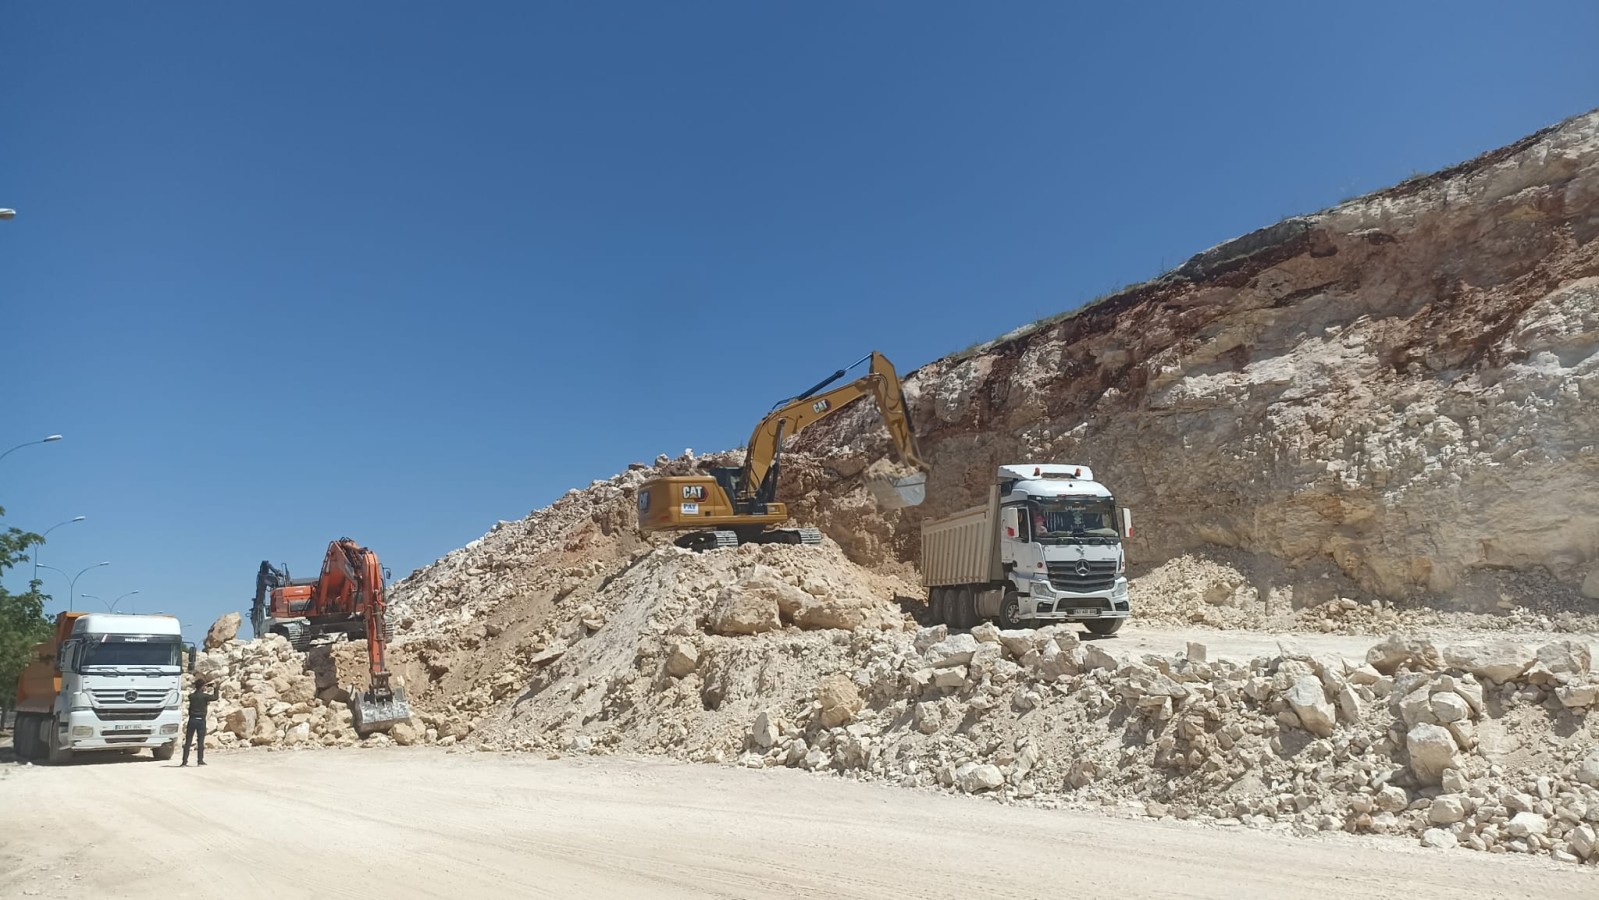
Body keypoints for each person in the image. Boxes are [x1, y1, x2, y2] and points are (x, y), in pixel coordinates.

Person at [181, 678, 220, 767]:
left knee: (188, 741)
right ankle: (200, 760)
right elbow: (215, 697)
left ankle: (184, 761)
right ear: (202, 687)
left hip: (192, 720)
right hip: (201, 721)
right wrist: (216, 688)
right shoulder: (205, 696)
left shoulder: (191, 696)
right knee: (200, 741)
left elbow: (195, 694)